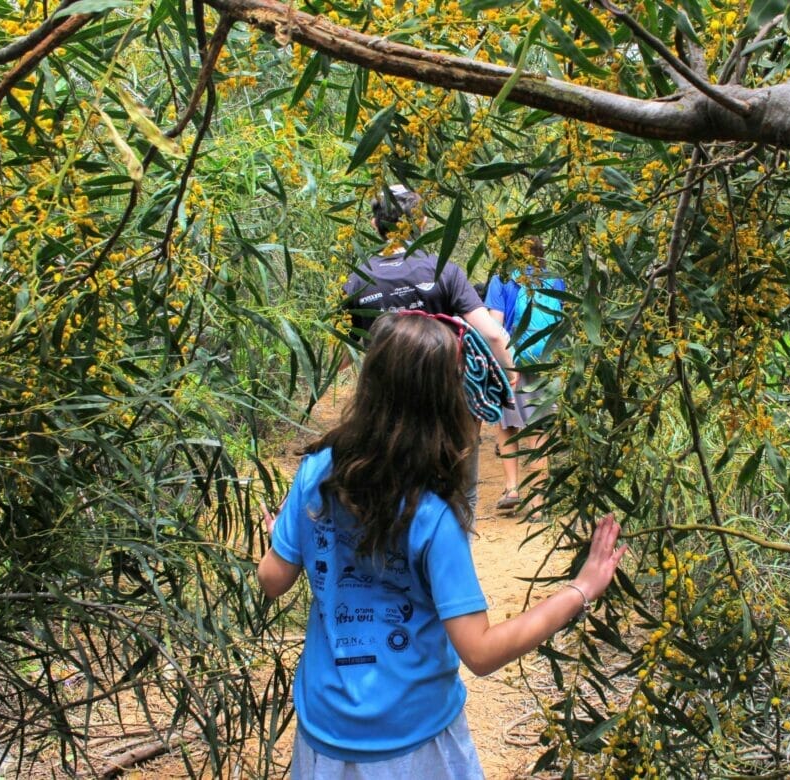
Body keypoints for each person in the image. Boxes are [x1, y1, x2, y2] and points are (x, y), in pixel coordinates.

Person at [258, 312, 626, 778]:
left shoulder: (316, 472)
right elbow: (481, 652)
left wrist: (280, 535)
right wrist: (580, 589)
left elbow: (272, 580)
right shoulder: (431, 514)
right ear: (445, 402)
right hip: (414, 739)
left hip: (326, 733)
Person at [342, 184, 516, 516]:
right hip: (446, 399)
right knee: (460, 493)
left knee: (392, 489)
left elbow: (342, 354)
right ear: (421, 223)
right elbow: (493, 335)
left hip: (384, 406)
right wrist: (508, 373)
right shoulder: (443, 270)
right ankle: (453, 547)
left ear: (375, 225)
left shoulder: (357, 280)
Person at [483, 236, 566, 514]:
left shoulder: (502, 280)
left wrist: (498, 365)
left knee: (507, 424)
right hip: (547, 360)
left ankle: (512, 489)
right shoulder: (555, 280)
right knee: (539, 427)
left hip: (513, 361)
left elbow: (495, 327)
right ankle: (539, 501)